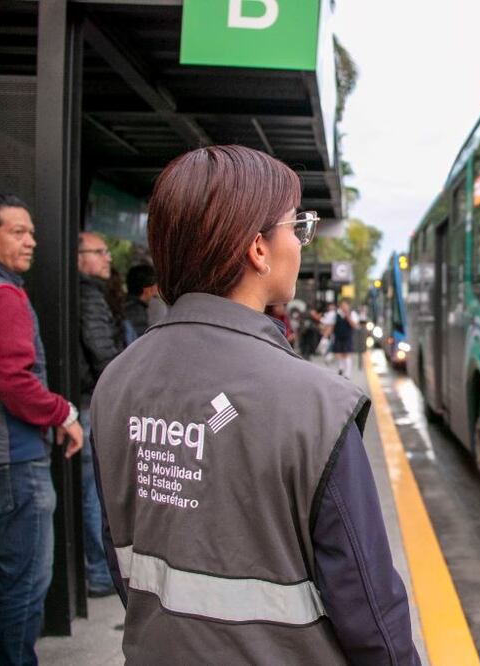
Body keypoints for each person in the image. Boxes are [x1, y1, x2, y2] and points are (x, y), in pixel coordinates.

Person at [90, 145, 419, 664]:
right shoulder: (317, 406)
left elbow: (122, 556)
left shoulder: (116, 383)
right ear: (258, 250)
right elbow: (371, 615)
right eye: (296, 227)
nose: (302, 242)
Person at [0, 194, 84, 665]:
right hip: (18, 461)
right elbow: (13, 379)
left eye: (31, 231)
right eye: (17, 232)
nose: (31, 241)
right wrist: (63, 414)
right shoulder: (6, 295)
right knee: (25, 584)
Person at [77, 231, 121, 597]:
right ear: (78, 258)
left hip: (87, 399)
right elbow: (101, 351)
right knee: (94, 491)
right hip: (88, 402)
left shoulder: (90, 293)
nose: (108, 258)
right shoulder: (88, 296)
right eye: (99, 252)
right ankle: (98, 571)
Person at [124, 264, 159, 339]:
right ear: (148, 290)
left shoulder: (124, 305)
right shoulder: (137, 313)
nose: (156, 292)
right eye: (155, 287)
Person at [332, 298, 359, 378]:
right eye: (342, 305)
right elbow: (332, 325)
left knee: (347, 354)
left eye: (345, 305)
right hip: (338, 336)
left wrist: (348, 317)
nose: (343, 307)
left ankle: (347, 374)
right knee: (338, 354)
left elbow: (354, 326)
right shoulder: (336, 314)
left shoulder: (352, 314)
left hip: (347, 337)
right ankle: (341, 370)